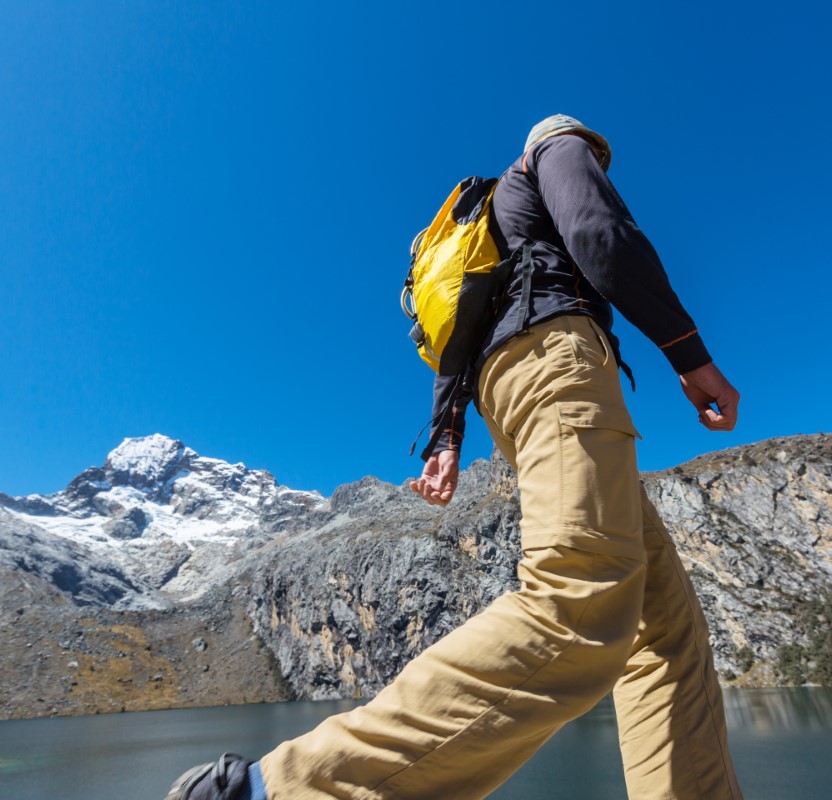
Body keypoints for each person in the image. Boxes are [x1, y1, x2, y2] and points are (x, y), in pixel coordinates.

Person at [166, 115, 745, 800]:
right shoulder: (555, 152)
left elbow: (457, 346)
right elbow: (600, 236)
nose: (598, 165)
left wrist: (446, 440)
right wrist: (688, 354)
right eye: (598, 156)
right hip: (557, 363)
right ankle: (273, 790)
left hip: (512, 388)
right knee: (580, 595)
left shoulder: (488, 225)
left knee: (667, 630)